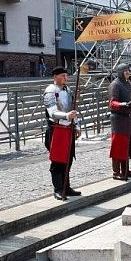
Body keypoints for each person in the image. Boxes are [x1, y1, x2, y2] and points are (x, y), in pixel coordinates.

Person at [43, 66, 81, 201]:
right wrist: (66, 116)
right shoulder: (50, 91)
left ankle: (66, 186)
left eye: (66, 75)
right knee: (58, 161)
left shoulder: (68, 90)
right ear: (55, 77)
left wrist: (76, 125)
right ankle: (58, 189)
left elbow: (73, 109)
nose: (66, 78)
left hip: (68, 129)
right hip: (57, 129)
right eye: (63, 75)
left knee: (68, 159)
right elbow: (52, 112)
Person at [108, 63, 131, 180]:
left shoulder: (129, 85)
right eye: (125, 71)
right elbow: (112, 102)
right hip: (118, 119)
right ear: (120, 72)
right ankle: (116, 172)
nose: (128, 72)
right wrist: (123, 104)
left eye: (128, 70)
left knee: (127, 146)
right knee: (118, 146)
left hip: (128, 119)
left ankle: (125, 170)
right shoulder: (115, 85)